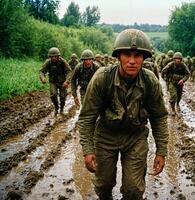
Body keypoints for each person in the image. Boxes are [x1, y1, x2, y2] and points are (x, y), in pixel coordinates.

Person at [78, 29, 168, 200]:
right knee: (103, 185)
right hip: (106, 135)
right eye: (127, 54)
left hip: (136, 137)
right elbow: (87, 117)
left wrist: (161, 151)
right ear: (118, 56)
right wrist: (88, 150)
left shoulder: (150, 81)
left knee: (133, 190)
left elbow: (159, 117)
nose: (132, 61)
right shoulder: (102, 78)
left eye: (138, 55)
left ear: (144, 58)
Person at [39, 47, 72, 115]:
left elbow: (69, 72)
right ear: (50, 57)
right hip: (53, 82)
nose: (53, 58)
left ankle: (62, 109)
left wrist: (67, 81)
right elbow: (41, 71)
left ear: (58, 56)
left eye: (55, 56)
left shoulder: (63, 62)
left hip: (62, 82)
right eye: (52, 56)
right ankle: (56, 107)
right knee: (53, 95)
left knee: (63, 97)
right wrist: (43, 78)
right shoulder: (48, 62)